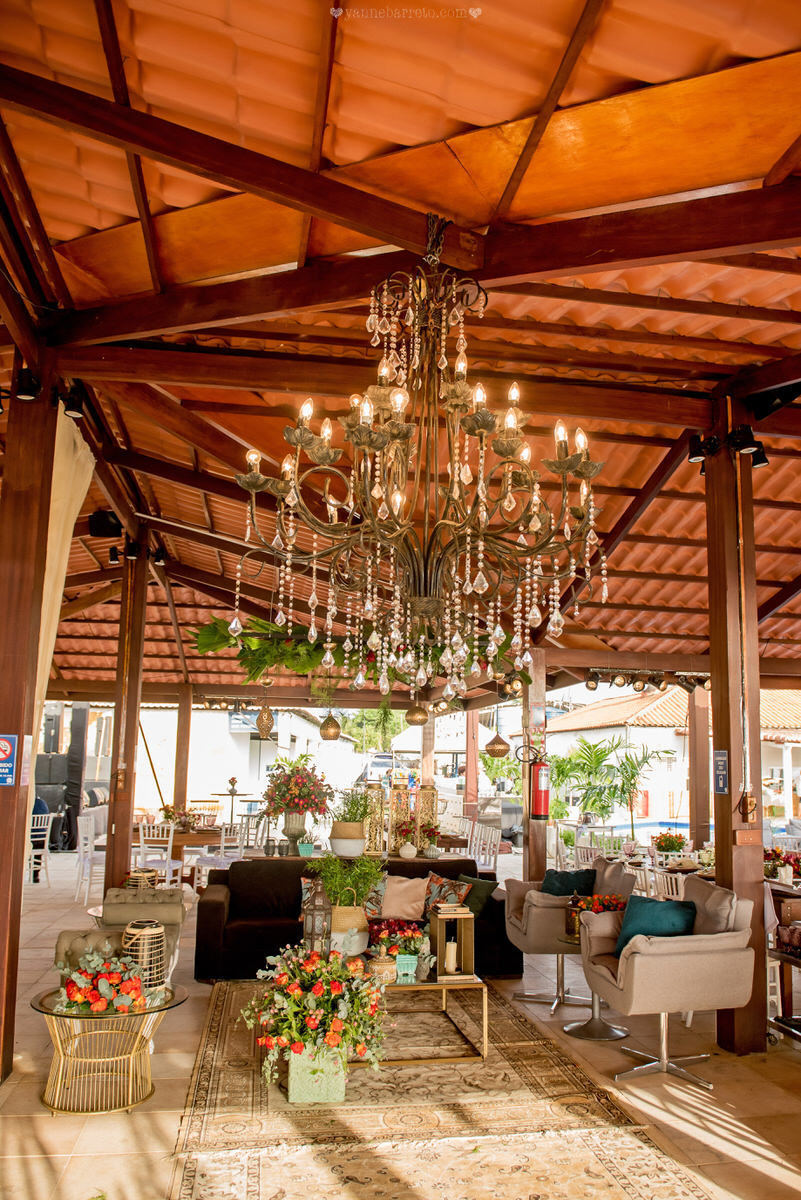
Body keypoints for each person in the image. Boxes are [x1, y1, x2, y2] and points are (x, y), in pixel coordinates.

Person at [30, 794, 49, 883]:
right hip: (41, 841)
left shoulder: (28, 804)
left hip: (29, 840)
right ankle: (35, 874)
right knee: (38, 842)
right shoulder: (43, 804)